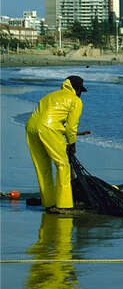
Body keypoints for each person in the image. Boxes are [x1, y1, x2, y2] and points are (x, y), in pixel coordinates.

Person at [25, 76, 86, 213]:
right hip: (48, 128)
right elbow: (71, 127)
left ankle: (49, 202)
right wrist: (72, 144)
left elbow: (44, 116)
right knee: (62, 165)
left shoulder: (50, 96)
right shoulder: (76, 100)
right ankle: (64, 205)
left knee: (42, 167)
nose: (81, 94)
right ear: (76, 89)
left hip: (31, 127)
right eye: (80, 90)